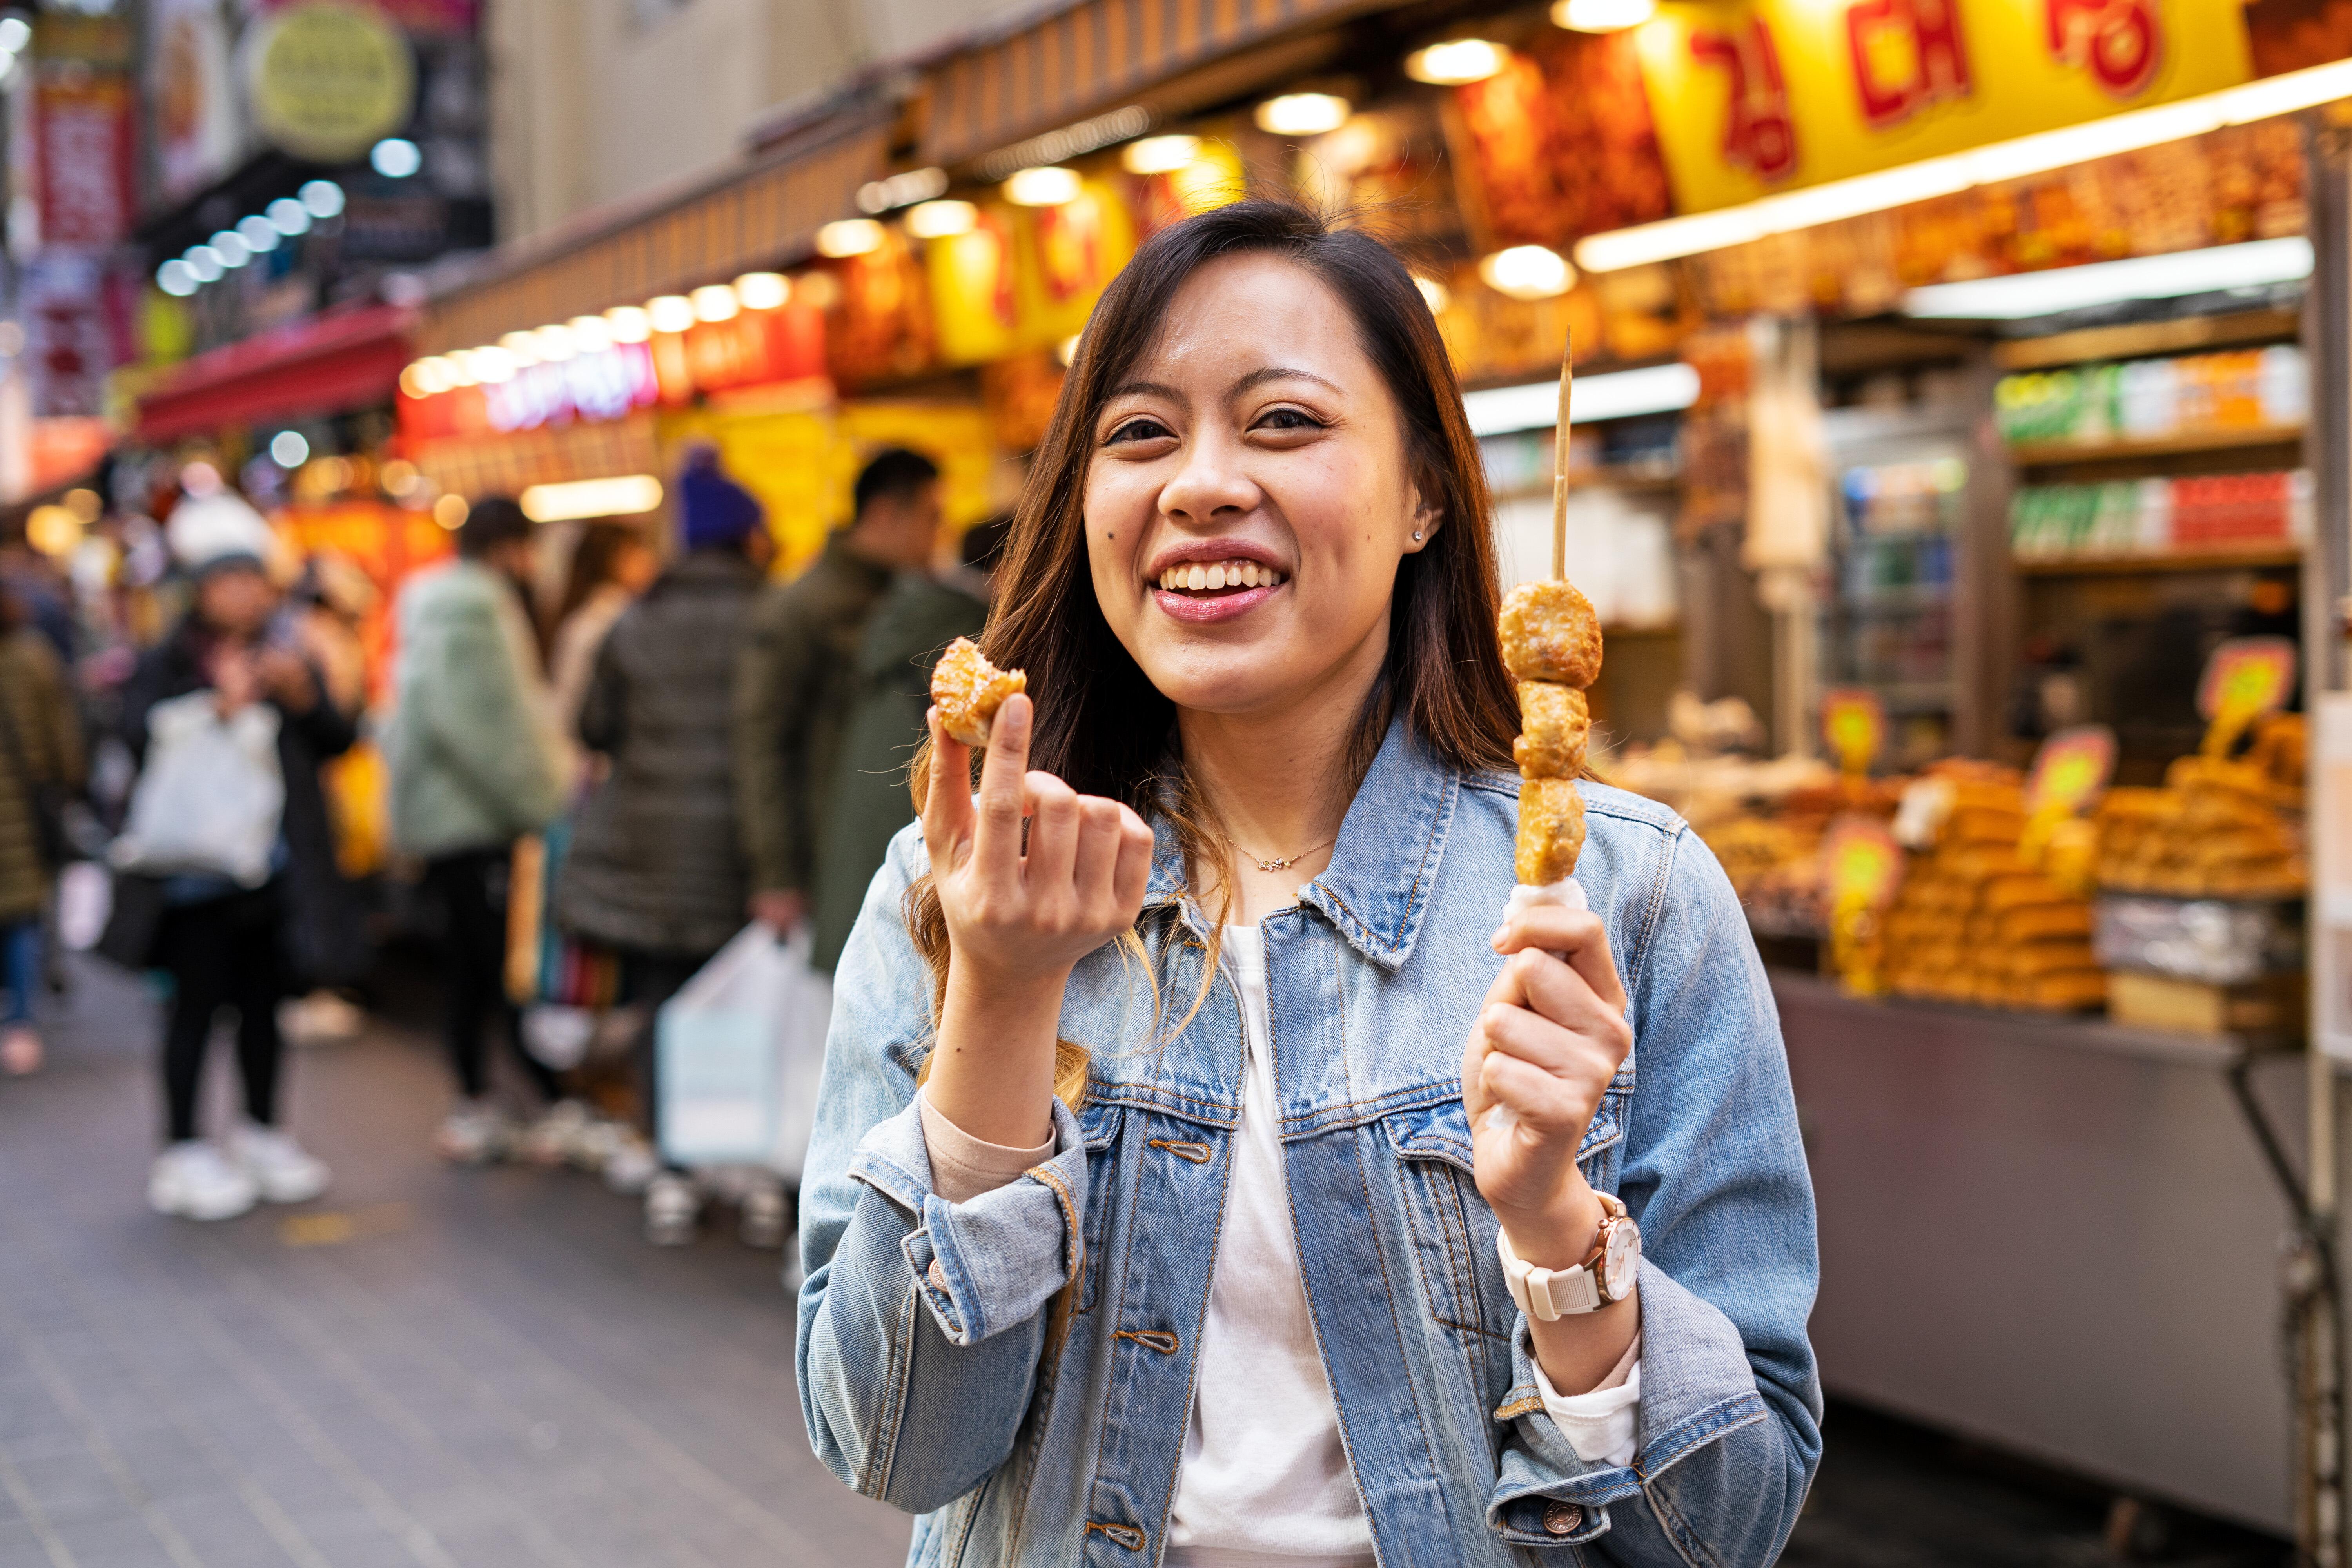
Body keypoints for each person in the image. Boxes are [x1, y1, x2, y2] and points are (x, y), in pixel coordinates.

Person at [798, 202, 1822, 1566]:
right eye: (1141, 432)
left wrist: (1561, 1237)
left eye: (1284, 422)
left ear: (1424, 496)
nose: (1201, 484)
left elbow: (1733, 1528)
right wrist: (997, 1000)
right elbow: (892, 1445)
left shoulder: (1630, 898)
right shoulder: (961, 881)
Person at [555, 451, 772, 1244]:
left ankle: (675, 1173)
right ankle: (744, 1172)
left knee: (664, 1005)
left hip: (648, 852)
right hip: (742, 859)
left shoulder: (634, 620)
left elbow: (590, 728)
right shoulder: (771, 618)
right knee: (740, 1005)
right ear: (749, 539)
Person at [123, 494, 348, 1221]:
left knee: (263, 1010)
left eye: (254, 580)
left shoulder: (286, 651)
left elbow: (339, 740)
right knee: (193, 1010)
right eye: (230, 580)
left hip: (273, 871)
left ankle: (263, 1133)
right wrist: (212, 710)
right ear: (200, 588)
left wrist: (306, 697)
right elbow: (132, 740)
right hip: (195, 877)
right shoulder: (169, 662)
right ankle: (183, 1148)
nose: (245, 594)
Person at [384, 496, 570, 1163]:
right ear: (508, 547)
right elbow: (488, 727)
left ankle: (481, 1099)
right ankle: (538, 1101)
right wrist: (543, 796)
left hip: (443, 819)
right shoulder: (477, 607)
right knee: (501, 966)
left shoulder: (430, 602)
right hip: (478, 821)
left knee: (468, 967)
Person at [732, 446, 941, 938]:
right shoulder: (800, 608)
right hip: (824, 860)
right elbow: (761, 741)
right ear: (886, 513)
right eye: (932, 519)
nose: (939, 537)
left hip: (883, 850)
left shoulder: (906, 602)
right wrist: (777, 874)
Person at [809, 514, 1007, 973]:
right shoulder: (967, 642)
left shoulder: (904, 615)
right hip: (909, 877)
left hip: (865, 869)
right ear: (1005, 566)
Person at [0, 582, 82, 1077]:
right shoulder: (33, 654)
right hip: (25, 807)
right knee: (24, 915)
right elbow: (62, 731)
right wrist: (68, 782)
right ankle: (22, 1024)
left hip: (21, 804)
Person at [546, 521, 659, 739]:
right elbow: (574, 706)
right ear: (613, 561)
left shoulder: (591, 617)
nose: (649, 561)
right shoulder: (608, 621)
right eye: (637, 553)